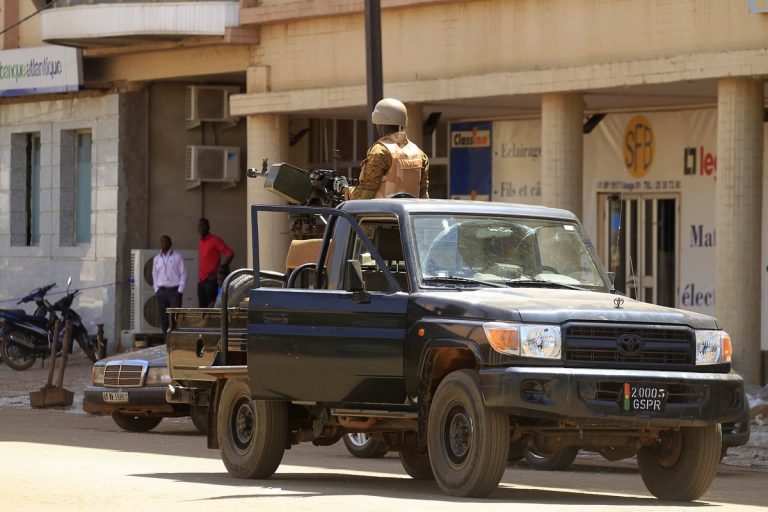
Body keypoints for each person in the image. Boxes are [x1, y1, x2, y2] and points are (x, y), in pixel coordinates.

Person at [336, 98, 429, 200]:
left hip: (382, 214)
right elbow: (424, 195)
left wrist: (343, 189)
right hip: (409, 213)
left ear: (379, 124)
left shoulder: (380, 151)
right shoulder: (419, 153)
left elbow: (365, 195)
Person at [152, 235, 187, 336]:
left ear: (170, 243)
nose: (164, 243)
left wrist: (180, 290)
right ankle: (166, 340)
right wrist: (156, 289)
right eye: (162, 241)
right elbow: (154, 274)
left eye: (166, 241)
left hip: (174, 291)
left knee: (176, 317)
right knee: (164, 318)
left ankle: (176, 339)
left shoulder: (177, 256)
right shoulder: (157, 258)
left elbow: (183, 273)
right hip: (161, 291)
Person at [197, 218, 234, 307]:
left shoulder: (215, 240)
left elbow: (230, 253)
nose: (201, 228)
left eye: (203, 225)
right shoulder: (201, 241)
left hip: (211, 280)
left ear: (208, 227)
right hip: (201, 280)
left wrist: (219, 271)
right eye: (199, 226)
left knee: (211, 307)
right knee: (202, 308)